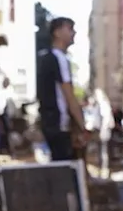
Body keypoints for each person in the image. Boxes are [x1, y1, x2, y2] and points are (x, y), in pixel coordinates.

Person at [36, 16, 86, 161]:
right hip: (59, 124)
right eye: (70, 29)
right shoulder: (59, 58)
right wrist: (81, 126)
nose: (73, 33)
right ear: (57, 32)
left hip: (49, 122)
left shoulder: (46, 59)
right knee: (65, 168)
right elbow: (68, 94)